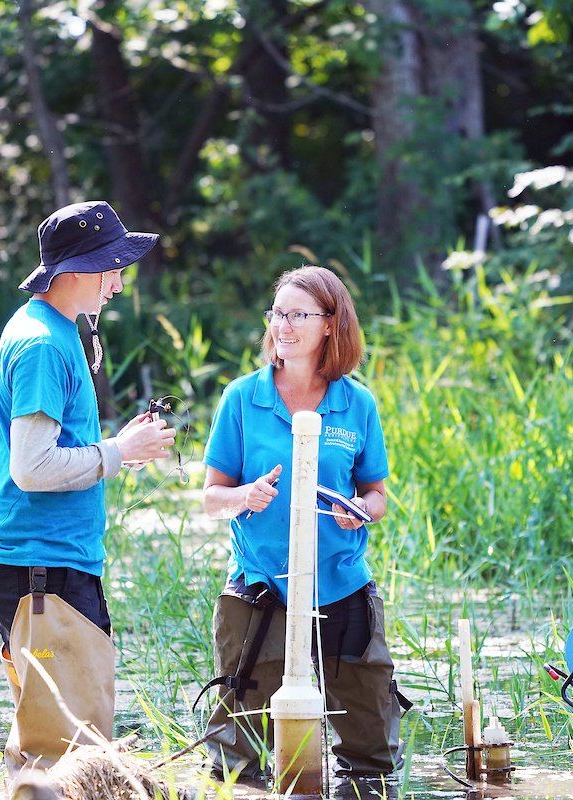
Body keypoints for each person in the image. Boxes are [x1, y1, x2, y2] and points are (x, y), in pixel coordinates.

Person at [0, 200, 176, 773]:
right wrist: (115, 453)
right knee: (62, 758)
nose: (119, 280)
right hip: (42, 570)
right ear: (77, 271)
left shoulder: (58, 329)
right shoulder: (42, 343)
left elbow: (54, 447)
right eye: (113, 266)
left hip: (54, 566)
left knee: (71, 743)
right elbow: (32, 468)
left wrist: (117, 447)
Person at [199, 266, 406, 783]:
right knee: (236, 763)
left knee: (372, 758)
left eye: (298, 315)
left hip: (341, 584)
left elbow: (377, 495)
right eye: (277, 314)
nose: (282, 326)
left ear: (330, 324)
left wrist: (359, 510)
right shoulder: (241, 398)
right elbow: (210, 497)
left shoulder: (356, 402)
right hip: (261, 589)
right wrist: (244, 495)